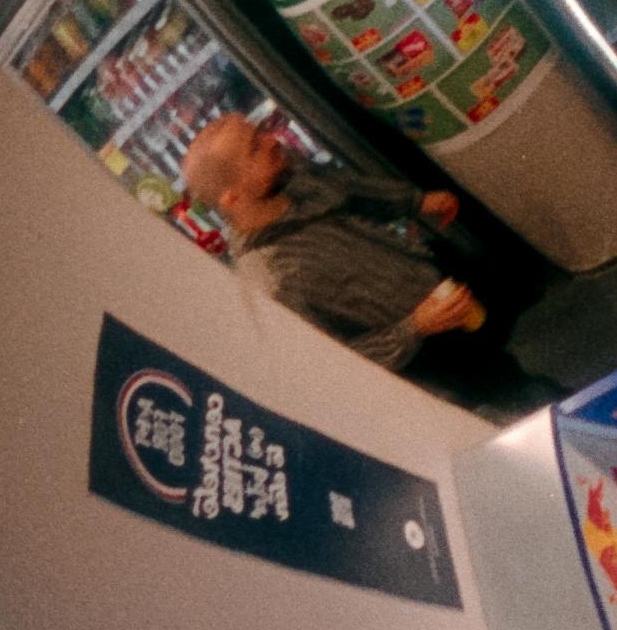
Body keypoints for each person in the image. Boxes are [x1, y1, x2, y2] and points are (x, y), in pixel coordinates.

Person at [180, 111, 533, 417]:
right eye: (254, 148)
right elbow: (332, 369)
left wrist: (415, 202)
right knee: (516, 402)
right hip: (427, 359)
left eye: (259, 131)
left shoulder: (292, 180)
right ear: (232, 197)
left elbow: (350, 191)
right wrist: (415, 328)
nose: (271, 140)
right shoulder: (271, 280)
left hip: (437, 290)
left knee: (515, 366)